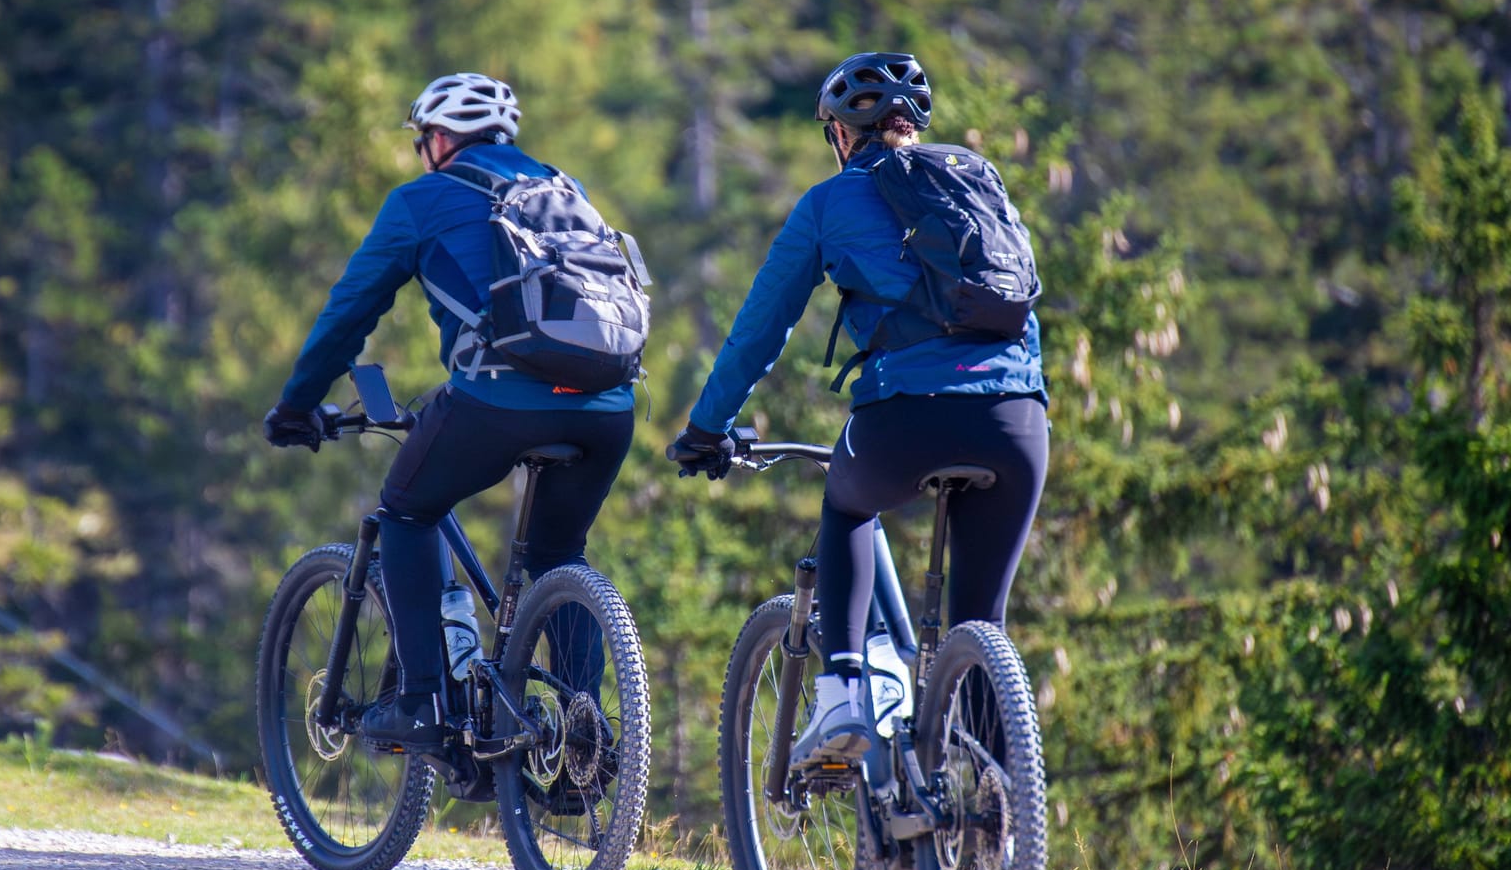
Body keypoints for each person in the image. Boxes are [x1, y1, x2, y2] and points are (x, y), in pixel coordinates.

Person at [668, 52, 1048, 772]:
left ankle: (844, 691)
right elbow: (1023, 298)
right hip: (1018, 422)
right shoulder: (977, 177)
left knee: (846, 506)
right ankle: (996, 829)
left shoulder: (830, 202)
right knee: (979, 624)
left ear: (844, 133)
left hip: (904, 418)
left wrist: (705, 428)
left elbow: (759, 331)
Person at [264, 73, 636, 752]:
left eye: (421, 142)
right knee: (559, 553)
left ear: (437, 140)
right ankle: (585, 731)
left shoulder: (421, 199)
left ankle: (421, 702)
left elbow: (351, 312)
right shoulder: (564, 190)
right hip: (608, 406)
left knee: (407, 512)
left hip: (498, 402)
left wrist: (296, 404)